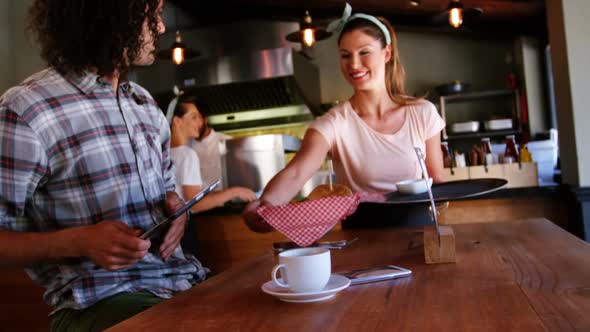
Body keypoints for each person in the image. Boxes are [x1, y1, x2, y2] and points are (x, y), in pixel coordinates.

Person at [0, 1, 208, 330]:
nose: (162, 28)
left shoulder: (145, 105)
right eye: (151, 15)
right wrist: (77, 241)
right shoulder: (27, 109)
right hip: (99, 304)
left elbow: (168, 193)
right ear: (111, 16)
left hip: (183, 286)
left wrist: (176, 212)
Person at [243, 3, 445, 232]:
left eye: (364, 52)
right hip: (362, 238)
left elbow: (436, 182)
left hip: (418, 233)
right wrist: (266, 205)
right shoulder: (333, 124)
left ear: (386, 53)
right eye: (345, 55)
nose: (354, 64)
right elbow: (297, 172)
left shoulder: (422, 113)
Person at [167, 98, 257, 210]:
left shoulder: (164, 153)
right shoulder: (187, 154)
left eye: (200, 117)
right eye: (194, 117)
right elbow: (195, 204)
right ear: (177, 121)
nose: (199, 122)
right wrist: (235, 192)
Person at [188, 99, 233, 188]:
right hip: (198, 201)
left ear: (205, 119)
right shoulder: (186, 147)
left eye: (197, 118)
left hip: (224, 199)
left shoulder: (227, 142)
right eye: (191, 119)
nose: (193, 124)